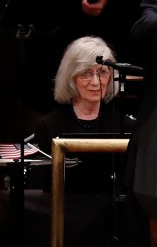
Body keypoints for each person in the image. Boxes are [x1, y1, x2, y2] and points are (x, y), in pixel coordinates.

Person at [34, 36, 135, 247]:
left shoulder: (124, 125)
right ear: (71, 77)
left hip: (112, 226)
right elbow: (44, 189)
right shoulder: (49, 125)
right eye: (87, 74)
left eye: (102, 73)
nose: (96, 82)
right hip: (65, 223)